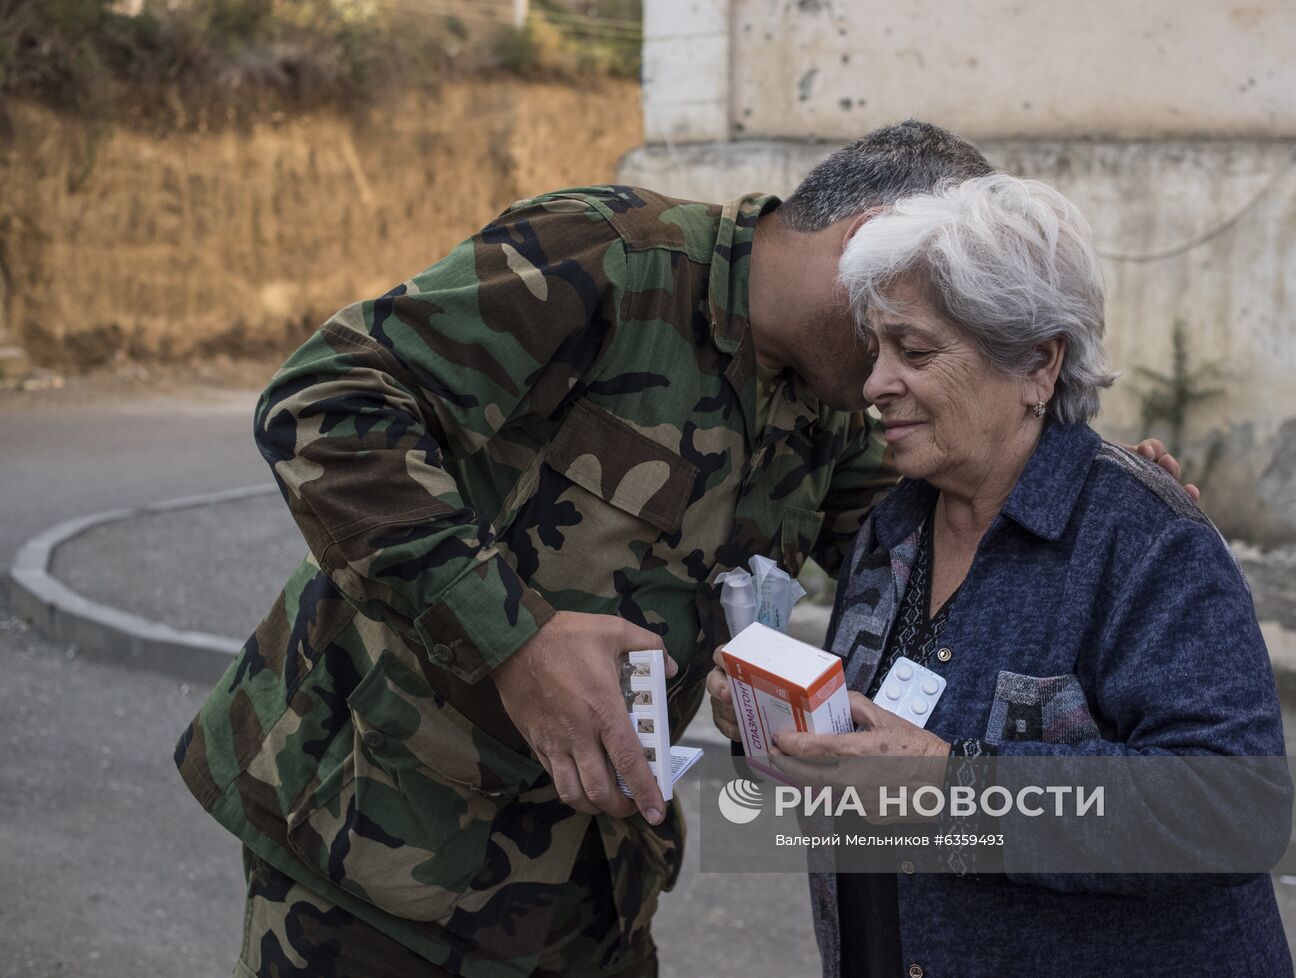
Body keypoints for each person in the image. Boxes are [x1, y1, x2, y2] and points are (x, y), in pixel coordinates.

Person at [174, 121, 1189, 977]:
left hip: (591, 888)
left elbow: (937, 558)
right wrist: (512, 641)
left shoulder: (848, 406)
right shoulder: (609, 258)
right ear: (877, 243)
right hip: (371, 853)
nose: (908, 365)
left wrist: (1090, 497)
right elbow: (325, 404)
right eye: (945, 301)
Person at [709, 175, 1291, 977]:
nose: (874, 384)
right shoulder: (893, 525)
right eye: (876, 349)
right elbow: (869, 757)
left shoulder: (1144, 540)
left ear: (1037, 366)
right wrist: (774, 724)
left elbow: (1235, 808)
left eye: (913, 352)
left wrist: (953, 787)